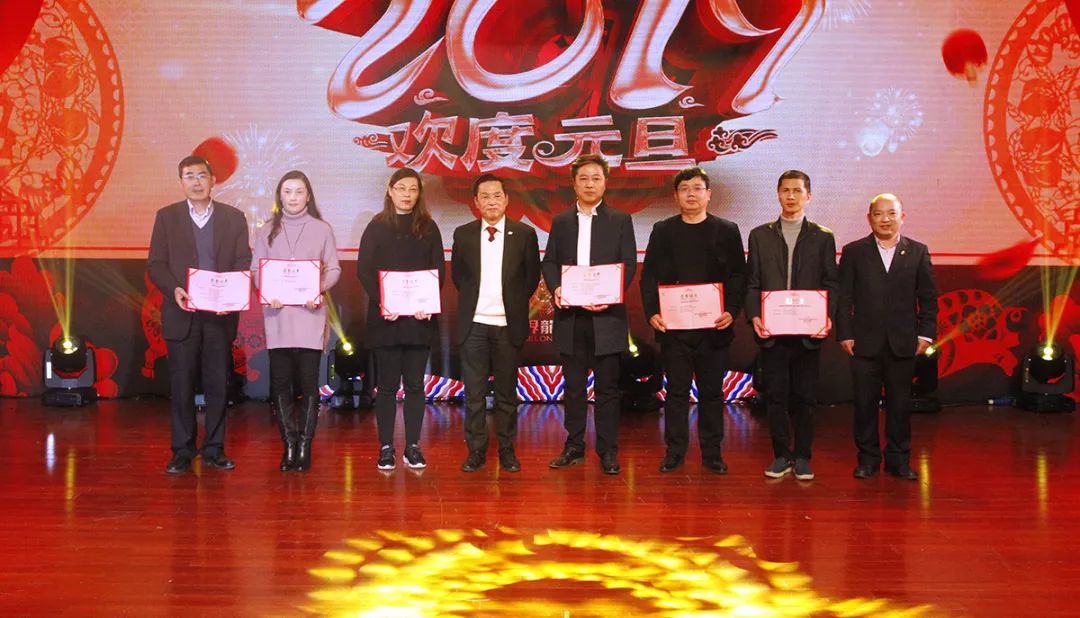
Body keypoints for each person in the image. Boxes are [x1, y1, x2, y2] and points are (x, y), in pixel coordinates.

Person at [148, 155, 252, 475]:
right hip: (183, 314)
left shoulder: (233, 218)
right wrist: (174, 290)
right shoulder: (167, 217)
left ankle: (214, 449)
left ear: (213, 180)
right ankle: (182, 450)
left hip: (219, 315)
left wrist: (231, 293)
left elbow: (242, 259)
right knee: (181, 385)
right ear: (181, 182)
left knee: (218, 384)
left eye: (201, 175)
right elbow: (156, 264)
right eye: (189, 176)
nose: (196, 182)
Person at [640, 166, 745, 474]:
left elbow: (738, 275)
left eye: (697, 188)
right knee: (676, 393)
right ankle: (675, 451)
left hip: (714, 328)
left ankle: (712, 453)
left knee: (712, 393)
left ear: (708, 194)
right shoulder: (663, 230)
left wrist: (732, 310)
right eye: (684, 189)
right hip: (675, 330)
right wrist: (652, 312)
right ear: (676, 196)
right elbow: (649, 276)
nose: (691, 194)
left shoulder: (727, 230)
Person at [541, 154, 637, 475]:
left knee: (608, 388)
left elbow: (628, 264)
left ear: (605, 182)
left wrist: (609, 295)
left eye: (596, 178)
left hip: (607, 317)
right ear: (574, 184)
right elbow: (550, 262)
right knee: (574, 387)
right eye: (583, 178)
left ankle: (608, 450)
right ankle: (574, 445)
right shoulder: (561, 221)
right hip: (571, 317)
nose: (590, 184)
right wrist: (556, 287)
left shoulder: (620, 220)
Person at [837, 193, 938, 481]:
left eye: (891, 213)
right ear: (869, 218)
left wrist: (926, 334)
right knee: (864, 405)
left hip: (903, 342)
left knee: (900, 406)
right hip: (863, 342)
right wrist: (845, 333)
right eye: (879, 214)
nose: (885, 219)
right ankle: (867, 459)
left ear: (902, 217)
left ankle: (899, 460)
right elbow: (844, 298)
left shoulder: (917, 251)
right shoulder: (854, 251)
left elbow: (928, 298)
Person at [744, 170, 837, 481]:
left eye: (797, 190)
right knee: (776, 396)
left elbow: (831, 282)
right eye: (786, 190)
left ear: (808, 196)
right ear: (778, 194)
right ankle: (782, 455)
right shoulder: (760, 235)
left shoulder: (823, 237)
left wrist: (827, 316)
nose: (791, 196)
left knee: (806, 397)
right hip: (773, 331)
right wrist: (754, 315)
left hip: (808, 330)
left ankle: (803, 456)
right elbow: (752, 282)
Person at [451, 173, 541, 473]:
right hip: (474, 325)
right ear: (476, 202)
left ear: (507, 200)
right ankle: (476, 451)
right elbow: (459, 278)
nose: (491, 201)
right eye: (485, 196)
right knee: (474, 395)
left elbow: (530, 278)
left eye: (497, 196)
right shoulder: (463, 234)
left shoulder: (525, 234)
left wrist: (511, 305)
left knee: (506, 395)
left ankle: (506, 450)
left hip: (507, 326)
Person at [356, 167, 445, 471]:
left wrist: (427, 303)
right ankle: (385, 447)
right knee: (387, 385)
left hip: (419, 320)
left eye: (413, 189)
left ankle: (413, 446)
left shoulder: (429, 227)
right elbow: (364, 270)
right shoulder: (376, 226)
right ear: (390, 190)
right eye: (402, 188)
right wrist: (384, 301)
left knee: (415, 385)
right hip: (387, 319)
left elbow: (438, 271)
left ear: (419, 194)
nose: (407, 195)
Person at [252, 170, 341, 472]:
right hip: (278, 316)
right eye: (287, 192)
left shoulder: (322, 229)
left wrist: (317, 289)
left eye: (299, 191)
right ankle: (288, 444)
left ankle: (305, 444)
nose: (293, 197)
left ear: (308, 196)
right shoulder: (266, 231)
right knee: (280, 385)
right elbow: (256, 270)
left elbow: (334, 268)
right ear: (280, 196)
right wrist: (268, 291)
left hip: (310, 316)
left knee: (309, 384)